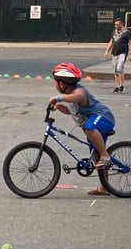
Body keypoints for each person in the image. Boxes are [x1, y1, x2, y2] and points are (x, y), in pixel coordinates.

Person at [49, 63, 116, 196]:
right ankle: (104, 187)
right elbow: (70, 111)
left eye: (56, 82)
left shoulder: (79, 91)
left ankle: (105, 155)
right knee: (95, 156)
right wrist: (59, 106)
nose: (55, 85)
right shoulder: (71, 95)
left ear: (62, 84)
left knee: (89, 127)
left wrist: (58, 97)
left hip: (103, 117)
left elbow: (78, 97)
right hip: (95, 121)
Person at [103, 18, 131, 93]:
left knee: (120, 68)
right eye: (115, 24)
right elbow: (111, 42)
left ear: (121, 24)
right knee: (115, 70)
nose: (115, 26)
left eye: (117, 24)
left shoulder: (127, 32)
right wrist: (107, 51)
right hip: (114, 52)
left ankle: (122, 86)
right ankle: (117, 86)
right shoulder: (114, 32)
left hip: (122, 52)